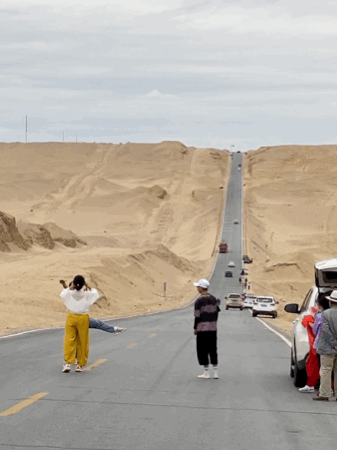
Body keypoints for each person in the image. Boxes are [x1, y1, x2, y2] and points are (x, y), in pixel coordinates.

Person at [60, 276, 99, 373]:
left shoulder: (69, 293)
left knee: (69, 340)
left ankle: (68, 363)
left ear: (73, 284)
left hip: (72, 316)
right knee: (82, 341)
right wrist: (87, 286)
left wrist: (70, 286)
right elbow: (95, 292)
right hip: (83, 318)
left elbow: (63, 293)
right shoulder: (87, 294)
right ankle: (79, 365)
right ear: (83, 284)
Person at [193, 278, 220, 379]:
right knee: (213, 349)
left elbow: (197, 316)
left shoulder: (199, 301)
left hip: (202, 328)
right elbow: (217, 312)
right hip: (213, 328)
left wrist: (195, 328)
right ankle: (216, 372)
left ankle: (206, 372)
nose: (197, 288)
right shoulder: (213, 299)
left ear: (201, 288)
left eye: (198, 286)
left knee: (202, 349)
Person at [313, 290, 337, 401]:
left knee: (326, 369)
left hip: (327, 347)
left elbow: (325, 330)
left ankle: (325, 394)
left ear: (331, 302)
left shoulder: (325, 314)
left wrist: (334, 343)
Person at [298, 306, 319, 393]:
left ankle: (312, 385)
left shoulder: (314, 315)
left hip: (319, 345)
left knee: (316, 365)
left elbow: (314, 329)